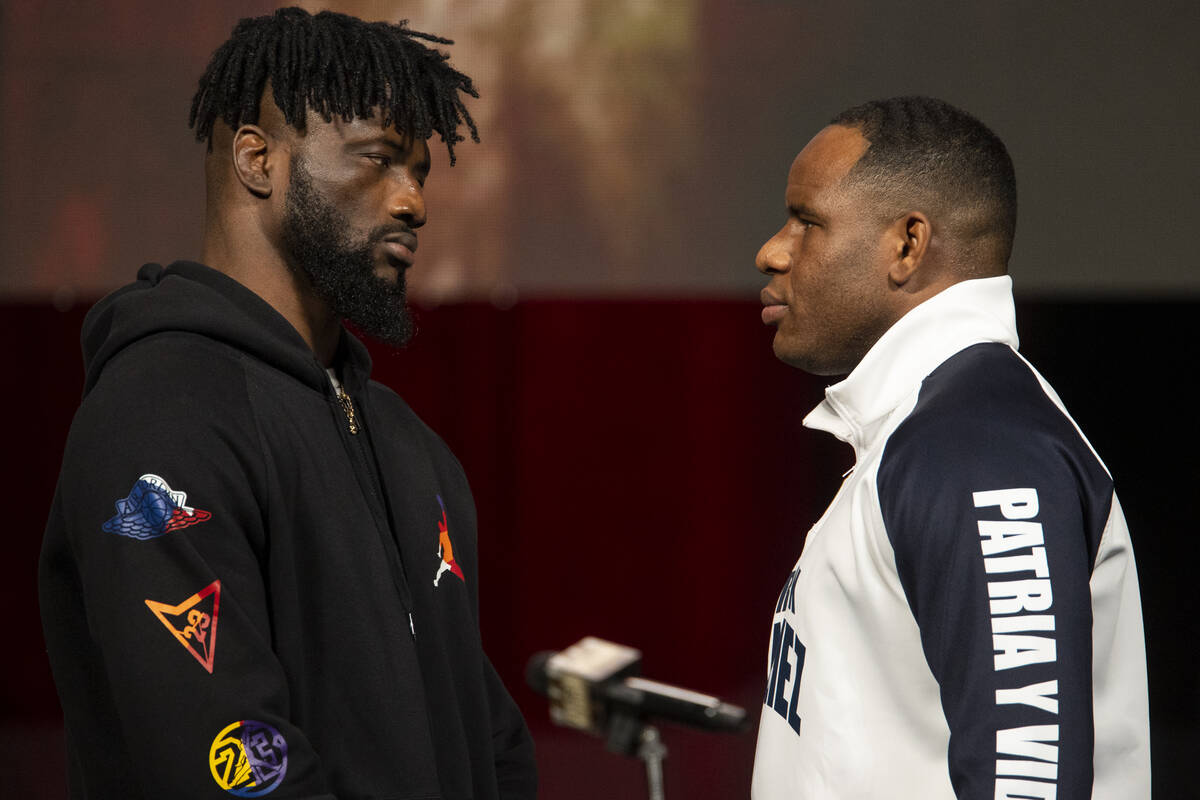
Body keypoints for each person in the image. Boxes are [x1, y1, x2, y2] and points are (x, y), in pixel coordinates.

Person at [38, 8, 536, 799]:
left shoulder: (407, 444)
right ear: (257, 159)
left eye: (420, 171)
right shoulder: (160, 419)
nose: (414, 202)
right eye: (379, 159)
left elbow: (487, 736)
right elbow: (227, 761)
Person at [750, 96, 1149, 799]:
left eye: (807, 221)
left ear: (907, 244)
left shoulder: (978, 449)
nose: (772, 250)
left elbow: (1027, 785)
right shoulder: (926, 431)